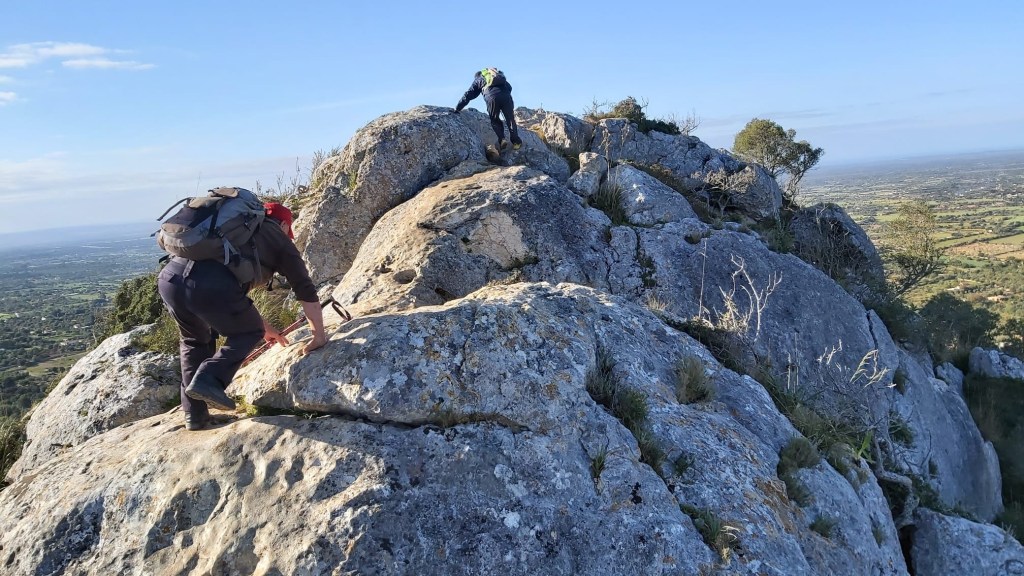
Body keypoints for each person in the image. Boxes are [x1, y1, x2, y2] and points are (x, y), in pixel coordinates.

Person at [157, 200, 327, 431]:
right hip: (208, 286)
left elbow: (236, 297)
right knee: (248, 332)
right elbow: (305, 288)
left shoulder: (228, 234)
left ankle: (195, 416)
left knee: (194, 342)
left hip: (170, 281)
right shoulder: (275, 238)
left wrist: (266, 329)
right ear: (285, 225)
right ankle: (210, 379)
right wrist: (318, 335)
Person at [454, 67, 523, 151]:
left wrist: (458, 108)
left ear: (477, 75)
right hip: (506, 96)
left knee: (495, 120)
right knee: (510, 120)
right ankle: (516, 142)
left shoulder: (478, 79)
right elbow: (510, 87)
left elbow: (469, 94)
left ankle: (502, 139)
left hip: (491, 98)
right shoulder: (498, 76)